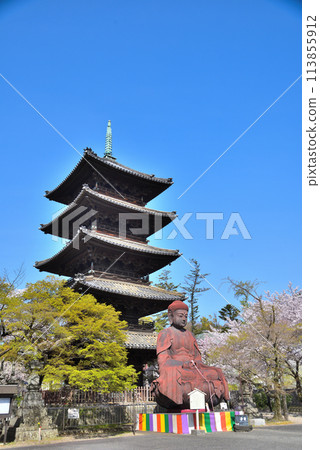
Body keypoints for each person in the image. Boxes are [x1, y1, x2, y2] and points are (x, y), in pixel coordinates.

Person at [151, 300, 229, 410]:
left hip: (192, 368)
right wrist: (182, 364)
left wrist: (195, 363)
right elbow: (163, 359)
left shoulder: (190, 335)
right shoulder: (165, 333)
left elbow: (198, 357)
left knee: (215, 372)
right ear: (171, 316)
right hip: (177, 368)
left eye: (186, 316)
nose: (184, 319)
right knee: (176, 375)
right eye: (180, 316)